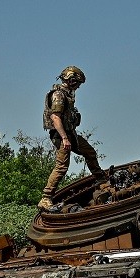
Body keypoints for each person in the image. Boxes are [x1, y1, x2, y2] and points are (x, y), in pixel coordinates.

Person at [38, 65, 107, 210]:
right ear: (71, 80)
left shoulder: (67, 94)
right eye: (78, 83)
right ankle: (46, 198)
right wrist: (64, 138)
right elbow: (55, 117)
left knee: (89, 151)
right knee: (62, 166)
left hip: (71, 133)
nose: (78, 87)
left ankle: (100, 179)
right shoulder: (58, 95)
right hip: (61, 135)